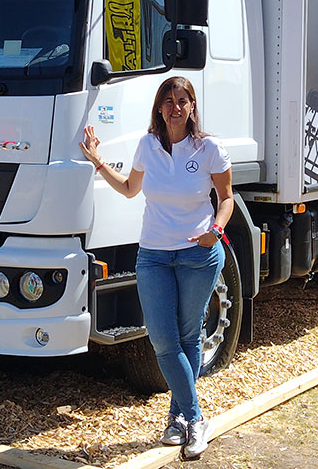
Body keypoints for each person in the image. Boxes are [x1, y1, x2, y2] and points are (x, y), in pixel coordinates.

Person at [79, 76, 232, 459]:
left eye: (183, 100)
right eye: (168, 100)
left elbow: (226, 198)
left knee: (188, 336)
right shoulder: (147, 145)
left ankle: (178, 419)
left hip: (198, 254)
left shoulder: (209, 148)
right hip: (153, 256)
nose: (175, 106)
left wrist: (216, 230)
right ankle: (196, 419)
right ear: (159, 108)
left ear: (192, 107)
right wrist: (98, 161)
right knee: (164, 340)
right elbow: (131, 188)